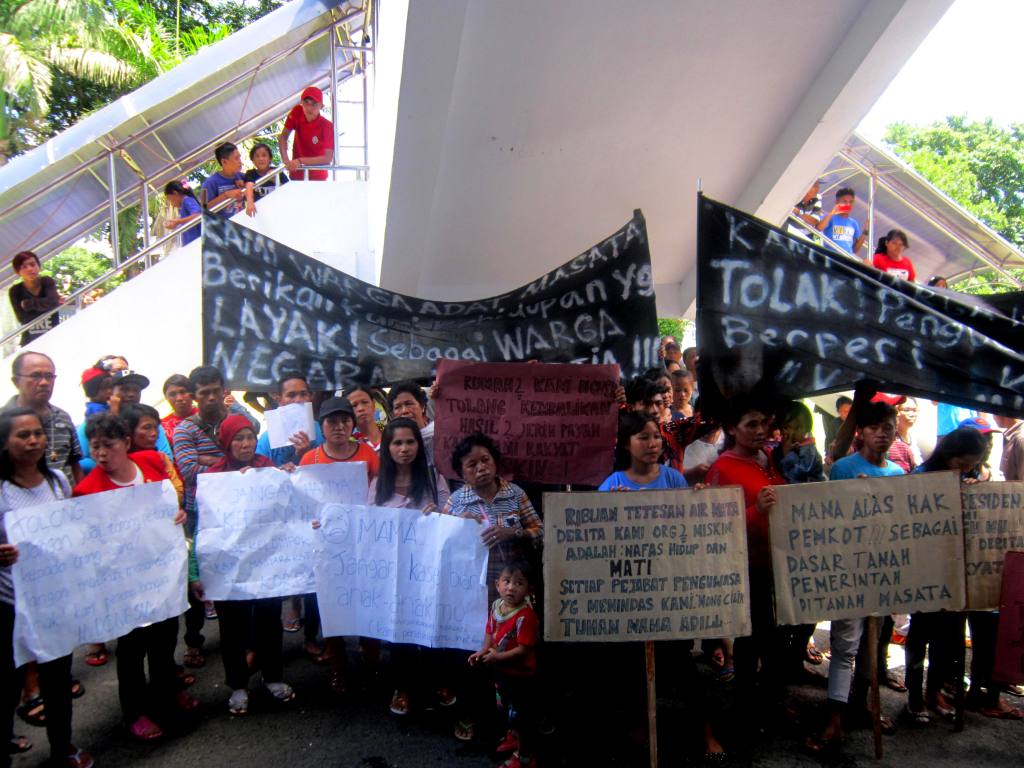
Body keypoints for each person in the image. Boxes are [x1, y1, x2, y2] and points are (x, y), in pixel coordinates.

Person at [73, 412, 196, 742]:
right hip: (124, 589)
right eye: (95, 447)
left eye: (108, 445)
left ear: (126, 443)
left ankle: (165, 698)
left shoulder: (153, 465)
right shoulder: (88, 489)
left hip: (162, 580)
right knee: (131, 652)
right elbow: (87, 542)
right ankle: (135, 713)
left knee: (164, 644)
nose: (100, 454)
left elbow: (173, 503)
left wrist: (179, 513)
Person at [806, 400, 902, 754]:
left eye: (888, 428)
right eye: (876, 428)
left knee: (874, 647)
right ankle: (834, 718)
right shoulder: (845, 469)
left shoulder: (897, 475)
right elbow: (831, 520)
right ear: (861, 432)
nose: (883, 435)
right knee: (845, 646)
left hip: (884, 573)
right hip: (850, 573)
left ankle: (862, 707)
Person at [0, 407, 93, 768]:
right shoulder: (3, 490)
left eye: (37, 433)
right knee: (8, 683)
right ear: (5, 443)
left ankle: (62, 748)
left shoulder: (57, 481)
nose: (34, 440)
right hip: (9, 604)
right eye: (23, 435)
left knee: (56, 680)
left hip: (53, 600)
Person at [191, 414, 296, 715]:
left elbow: (286, 508)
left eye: (250, 436)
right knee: (232, 628)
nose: (246, 443)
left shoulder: (268, 468)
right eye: (238, 438)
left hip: (266, 565)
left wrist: (286, 475)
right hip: (228, 568)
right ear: (226, 441)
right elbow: (203, 526)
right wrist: (198, 570)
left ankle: (273, 677)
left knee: (268, 621)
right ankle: (238, 686)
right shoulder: (214, 477)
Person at [706, 395, 786, 726]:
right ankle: (746, 708)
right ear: (731, 429)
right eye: (751, 424)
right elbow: (714, 526)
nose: (760, 430)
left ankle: (771, 702)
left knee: (775, 637)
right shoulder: (722, 468)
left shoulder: (768, 458)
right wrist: (756, 512)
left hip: (777, 563)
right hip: (747, 566)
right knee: (754, 638)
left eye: (763, 423)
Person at [903, 427, 988, 726]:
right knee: (921, 633)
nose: (965, 470)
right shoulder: (921, 476)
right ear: (949, 454)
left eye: (970, 466)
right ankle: (914, 696)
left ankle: (933, 692)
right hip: (924, 570)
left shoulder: (966, 479)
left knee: (949, 638)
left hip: (955, 571)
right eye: (961, 464)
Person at [369, 418, 451, 717]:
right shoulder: (378, 486)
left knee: (432, 628)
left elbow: (452, 517)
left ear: (419, 444)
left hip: (430, 571)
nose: (404, 449)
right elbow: (368, 530)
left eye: (410, 442)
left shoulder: (433, 479)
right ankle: (401, 687)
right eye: (397, 443)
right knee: (399, 631)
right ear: (387, 448)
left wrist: (439, 514)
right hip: (395, 573)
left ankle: (439, 682)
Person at [173, 366, 232, 669]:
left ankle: (236, 637)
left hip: (234, 513)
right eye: (203, 392)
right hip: (199, 513)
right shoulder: (184, 429)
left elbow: (244, 459)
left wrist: (207, 459)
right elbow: (187, 469)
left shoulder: (241, 421)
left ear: (224, 389)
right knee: (197, 580)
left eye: (215, 390)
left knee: (232, 571)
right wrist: (224, 463)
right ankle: (194, 640)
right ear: (194, 396)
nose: (210, 397)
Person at [467, 561, 540, 768]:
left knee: (521, 715)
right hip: (502, 674)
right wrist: (482, 651)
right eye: (506, 581)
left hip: (521, 677)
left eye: (519, 583)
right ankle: (513, 736)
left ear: (528, 589)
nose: (511, 587)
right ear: (497, 584)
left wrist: (496, 657)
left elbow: (524, 649)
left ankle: (524, 756)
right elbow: (490, 632)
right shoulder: (497, 606)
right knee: (506, 707)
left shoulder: (526, 616)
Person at [4, 352, 83, 486]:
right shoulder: (3, 421)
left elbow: (74, 464)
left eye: (49, 376)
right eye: (35, 376)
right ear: (16, 381)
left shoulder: (63, 417)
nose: (44, 383)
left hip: (67, 501)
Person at [599, 412, 687, 490]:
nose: (652, 444)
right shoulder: (613, 485)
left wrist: (697, 495)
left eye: (656, 436)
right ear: (626, 443)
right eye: (644, 438)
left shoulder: (674, 479)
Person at [299, 397, 379, 480]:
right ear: (321, 426)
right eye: (332, 421)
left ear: (353, 425)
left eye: (345, 421)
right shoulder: (309, 459)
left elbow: (381, 485)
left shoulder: (367, 453)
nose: (339, 427)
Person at [256, 373, 322, 467]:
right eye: (291, 395)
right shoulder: (267, 439)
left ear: (310, 398)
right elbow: (260, 474)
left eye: (303, 394)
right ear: (279, 400)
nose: (298, 400)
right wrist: (279, 473)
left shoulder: (323, 431)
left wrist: (307, 456)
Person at [278, 86, 334, 181]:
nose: (309, 108)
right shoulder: (297, 112)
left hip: (318, 177)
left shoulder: (327, 126)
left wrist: (300, 161)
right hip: (296, 175)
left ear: (321, 106)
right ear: (301, 103)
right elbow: (283, 137)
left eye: (314, 104)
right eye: (306, 103)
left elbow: (328, 158)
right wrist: (286, 161)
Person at [7, 251, 60, 347]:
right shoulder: (15, 291)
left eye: (32, 264)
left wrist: (28, 304)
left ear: (38, 266)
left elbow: (53, 303)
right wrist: (46, 305)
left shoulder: (47, 282)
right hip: (29, 341)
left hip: (53, 336)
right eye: (24, 267)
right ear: (17, 272)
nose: (30, 269)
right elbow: (23, 318)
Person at [201, 142, 255, 218]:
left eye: (239, 157)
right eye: (236, 158)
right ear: (224, 162)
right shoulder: (208, 183)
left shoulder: (243, 177)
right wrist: (226, 195)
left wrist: (245, 186)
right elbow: (202, 208)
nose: (240, 162)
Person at [388, 383, 435, 465]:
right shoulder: (390, 445)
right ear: (393, 415)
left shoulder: (439, 433)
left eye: (409, 404)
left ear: (422, 406)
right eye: (397, 407)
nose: (404, 411)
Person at [816, 186, 865, 256]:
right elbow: (819, 228)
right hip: (831, 254)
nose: (848, 205)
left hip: (847, 257)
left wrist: (866, 231)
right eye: (845, 202)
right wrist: (833, 211)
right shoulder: (830, 217)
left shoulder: (854, 223)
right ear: (837, 201)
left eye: (851, 202)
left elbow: (855, 250)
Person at [161, 374, 197, 448]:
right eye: (172, 394)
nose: (179, 398)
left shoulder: (205, 415)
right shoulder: (162, 426)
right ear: (166, 397)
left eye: (183, 392)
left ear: (192, 393)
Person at [163, 181, 203, 246]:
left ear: (175, 193)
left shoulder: (187, 200)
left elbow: (198, 216)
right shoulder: (184, 205)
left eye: (171, 200)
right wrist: (176, 224)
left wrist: (178, 221)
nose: (172, 205)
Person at [889, 397, 922, 473]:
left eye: (915, 410)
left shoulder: (913, 438)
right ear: (896, 413)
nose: (912, 414)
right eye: (907, 410)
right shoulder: (891, 441)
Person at [345, 384, 383, 451]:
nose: (361, 408)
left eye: (365, 402)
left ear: (373, 404)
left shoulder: (391, 433)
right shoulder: (347, 444)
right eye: (354, 405)